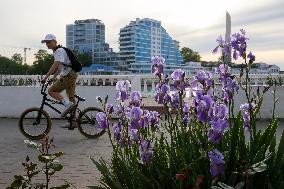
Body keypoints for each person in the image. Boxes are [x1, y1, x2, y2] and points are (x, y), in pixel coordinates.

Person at [41, 34, 77, 118]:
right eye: (46, 42)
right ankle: (74, 120)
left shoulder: (59, 51)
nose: (47, 44)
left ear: (55, 41)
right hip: (71, 73)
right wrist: (53, 78)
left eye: (49, 42)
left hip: (69, 75)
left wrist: (45, 78)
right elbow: (60, 68)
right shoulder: (58, 51)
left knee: (51, 91)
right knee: (71, 96)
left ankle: (68, 105)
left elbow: (55, 65)